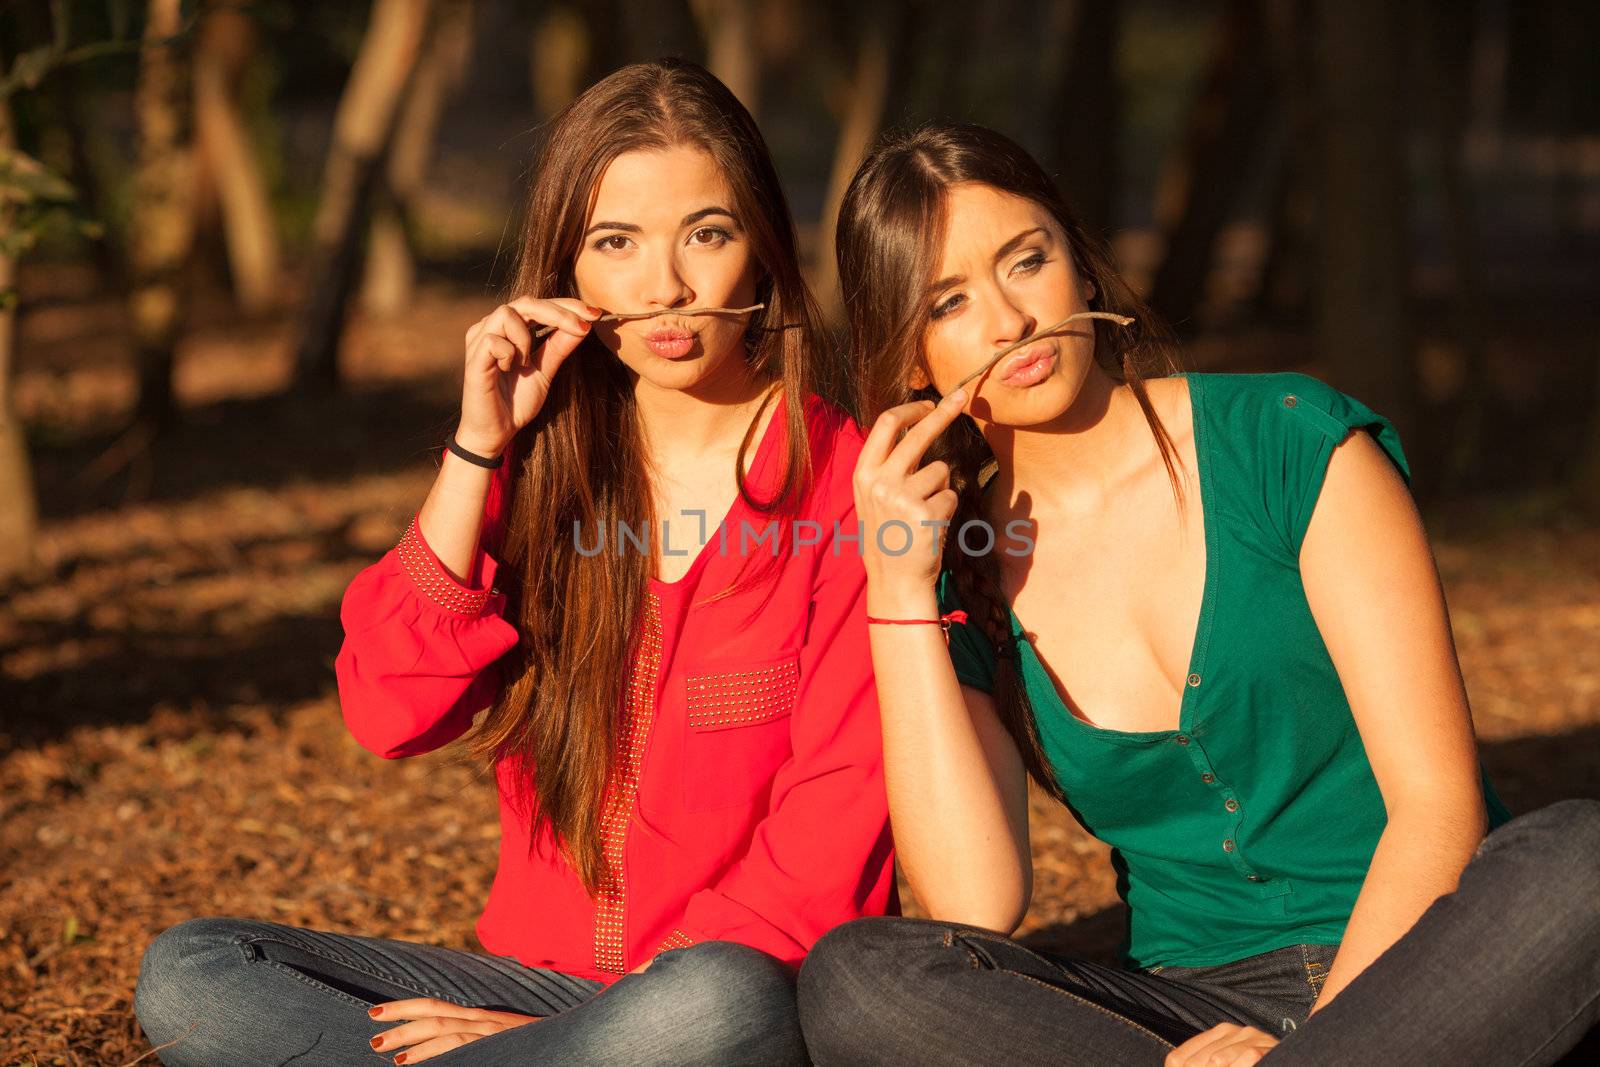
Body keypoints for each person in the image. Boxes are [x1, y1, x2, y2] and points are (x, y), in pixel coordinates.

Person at [134, 58, 894, 1067]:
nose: (664, 287)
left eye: (705, 234)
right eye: (614, 243)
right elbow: (389, 711)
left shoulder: (845, 482)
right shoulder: (544, 461)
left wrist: (569, 1035)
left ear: (761, 250)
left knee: (713, 1001)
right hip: (535, 984)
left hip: (732, 992)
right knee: (194, 972)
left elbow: (831, 830)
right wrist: (477, 444)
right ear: (568, 269)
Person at [796, 121, 1600, 1067]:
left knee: (1581, 858)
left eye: (1027, 259)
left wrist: (1317, 1043)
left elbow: (1437, 806)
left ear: (1083, 269)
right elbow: (976, 903)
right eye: (951, 301)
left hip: (1436, 956)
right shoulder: (960, 570)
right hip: (1190, 1014)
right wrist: (894, 582)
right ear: (912, 356)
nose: (1011, 321)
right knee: (857, 978)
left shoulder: (1285, 443)